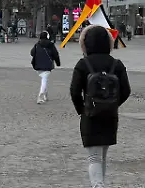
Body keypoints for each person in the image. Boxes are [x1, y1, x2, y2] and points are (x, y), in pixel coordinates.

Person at [70, 25, 131, 188]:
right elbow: (126, 90)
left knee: (94, 157)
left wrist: (83, 110)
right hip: (110, 116)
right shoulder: (116, 64)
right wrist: (112, 104)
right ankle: (100, 184)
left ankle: (98, 185)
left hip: (90, 115)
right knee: (103, 156)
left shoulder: (83, 64)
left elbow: (74, 91)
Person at [31, 31, 62, 103]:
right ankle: (40, 95)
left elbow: (32, 53)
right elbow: (55, 54)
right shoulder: (50, 44)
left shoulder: (37, 44)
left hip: (38, 65)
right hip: (47, 65)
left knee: (44, 78)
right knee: (44, 80)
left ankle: (45, 95)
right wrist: (58, 63)